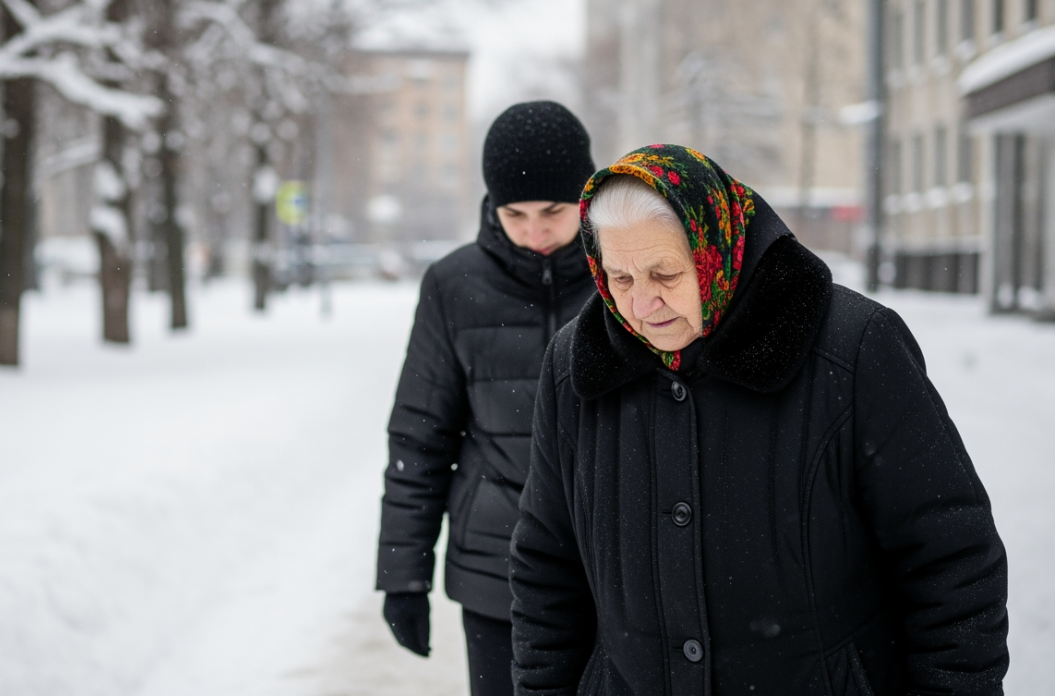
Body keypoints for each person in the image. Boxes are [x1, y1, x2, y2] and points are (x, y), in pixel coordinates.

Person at [510, 145, 1009, 695]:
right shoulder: (574, 367)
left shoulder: (853, 348)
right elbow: (546, 568)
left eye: (665, 273)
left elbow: (950, 558)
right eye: (620, 278)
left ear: (716, 248)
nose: (642, 305)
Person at [376, 101, 598, 696]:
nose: (534, 232)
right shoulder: (453, 285)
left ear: (585, 198)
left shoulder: (627, 278)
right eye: (515, 213)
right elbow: (420, 435)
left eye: (553, 212)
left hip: (612, 567)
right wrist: (403, 575)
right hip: (497, 571)